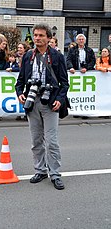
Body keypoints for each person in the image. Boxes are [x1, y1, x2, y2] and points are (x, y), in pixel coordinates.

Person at [15, 23, 69, 190]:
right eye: (35, 35)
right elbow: (20, 82)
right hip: (32, 103)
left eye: (41, 35)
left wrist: (60, 99)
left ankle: (55, 174)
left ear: (48, 38)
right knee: (36, 141)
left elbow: (64, 83)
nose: (37, 38)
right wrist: (20, 94)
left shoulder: (57, 56)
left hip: (50, 103)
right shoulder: (27, 56)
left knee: (51, 141)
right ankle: (40, 170)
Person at [15, 41, 30, 121]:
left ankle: (26, 113)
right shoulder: (15, 56)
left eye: (20, 48)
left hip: (27, 80)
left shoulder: (28, 56)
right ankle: (20, 113)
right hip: (21, 78)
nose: (19, 49)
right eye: (18, 48)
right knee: (21, 95)